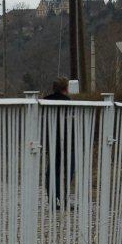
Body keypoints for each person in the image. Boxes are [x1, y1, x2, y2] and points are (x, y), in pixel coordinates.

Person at [43, 77, 72, 208]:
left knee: (52, 169)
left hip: (50, 139)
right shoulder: (68, 102)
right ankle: (63, 197)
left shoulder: (45, 101)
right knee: (67, 170)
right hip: (66, 140)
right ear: (66, 88)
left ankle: (52, 198)